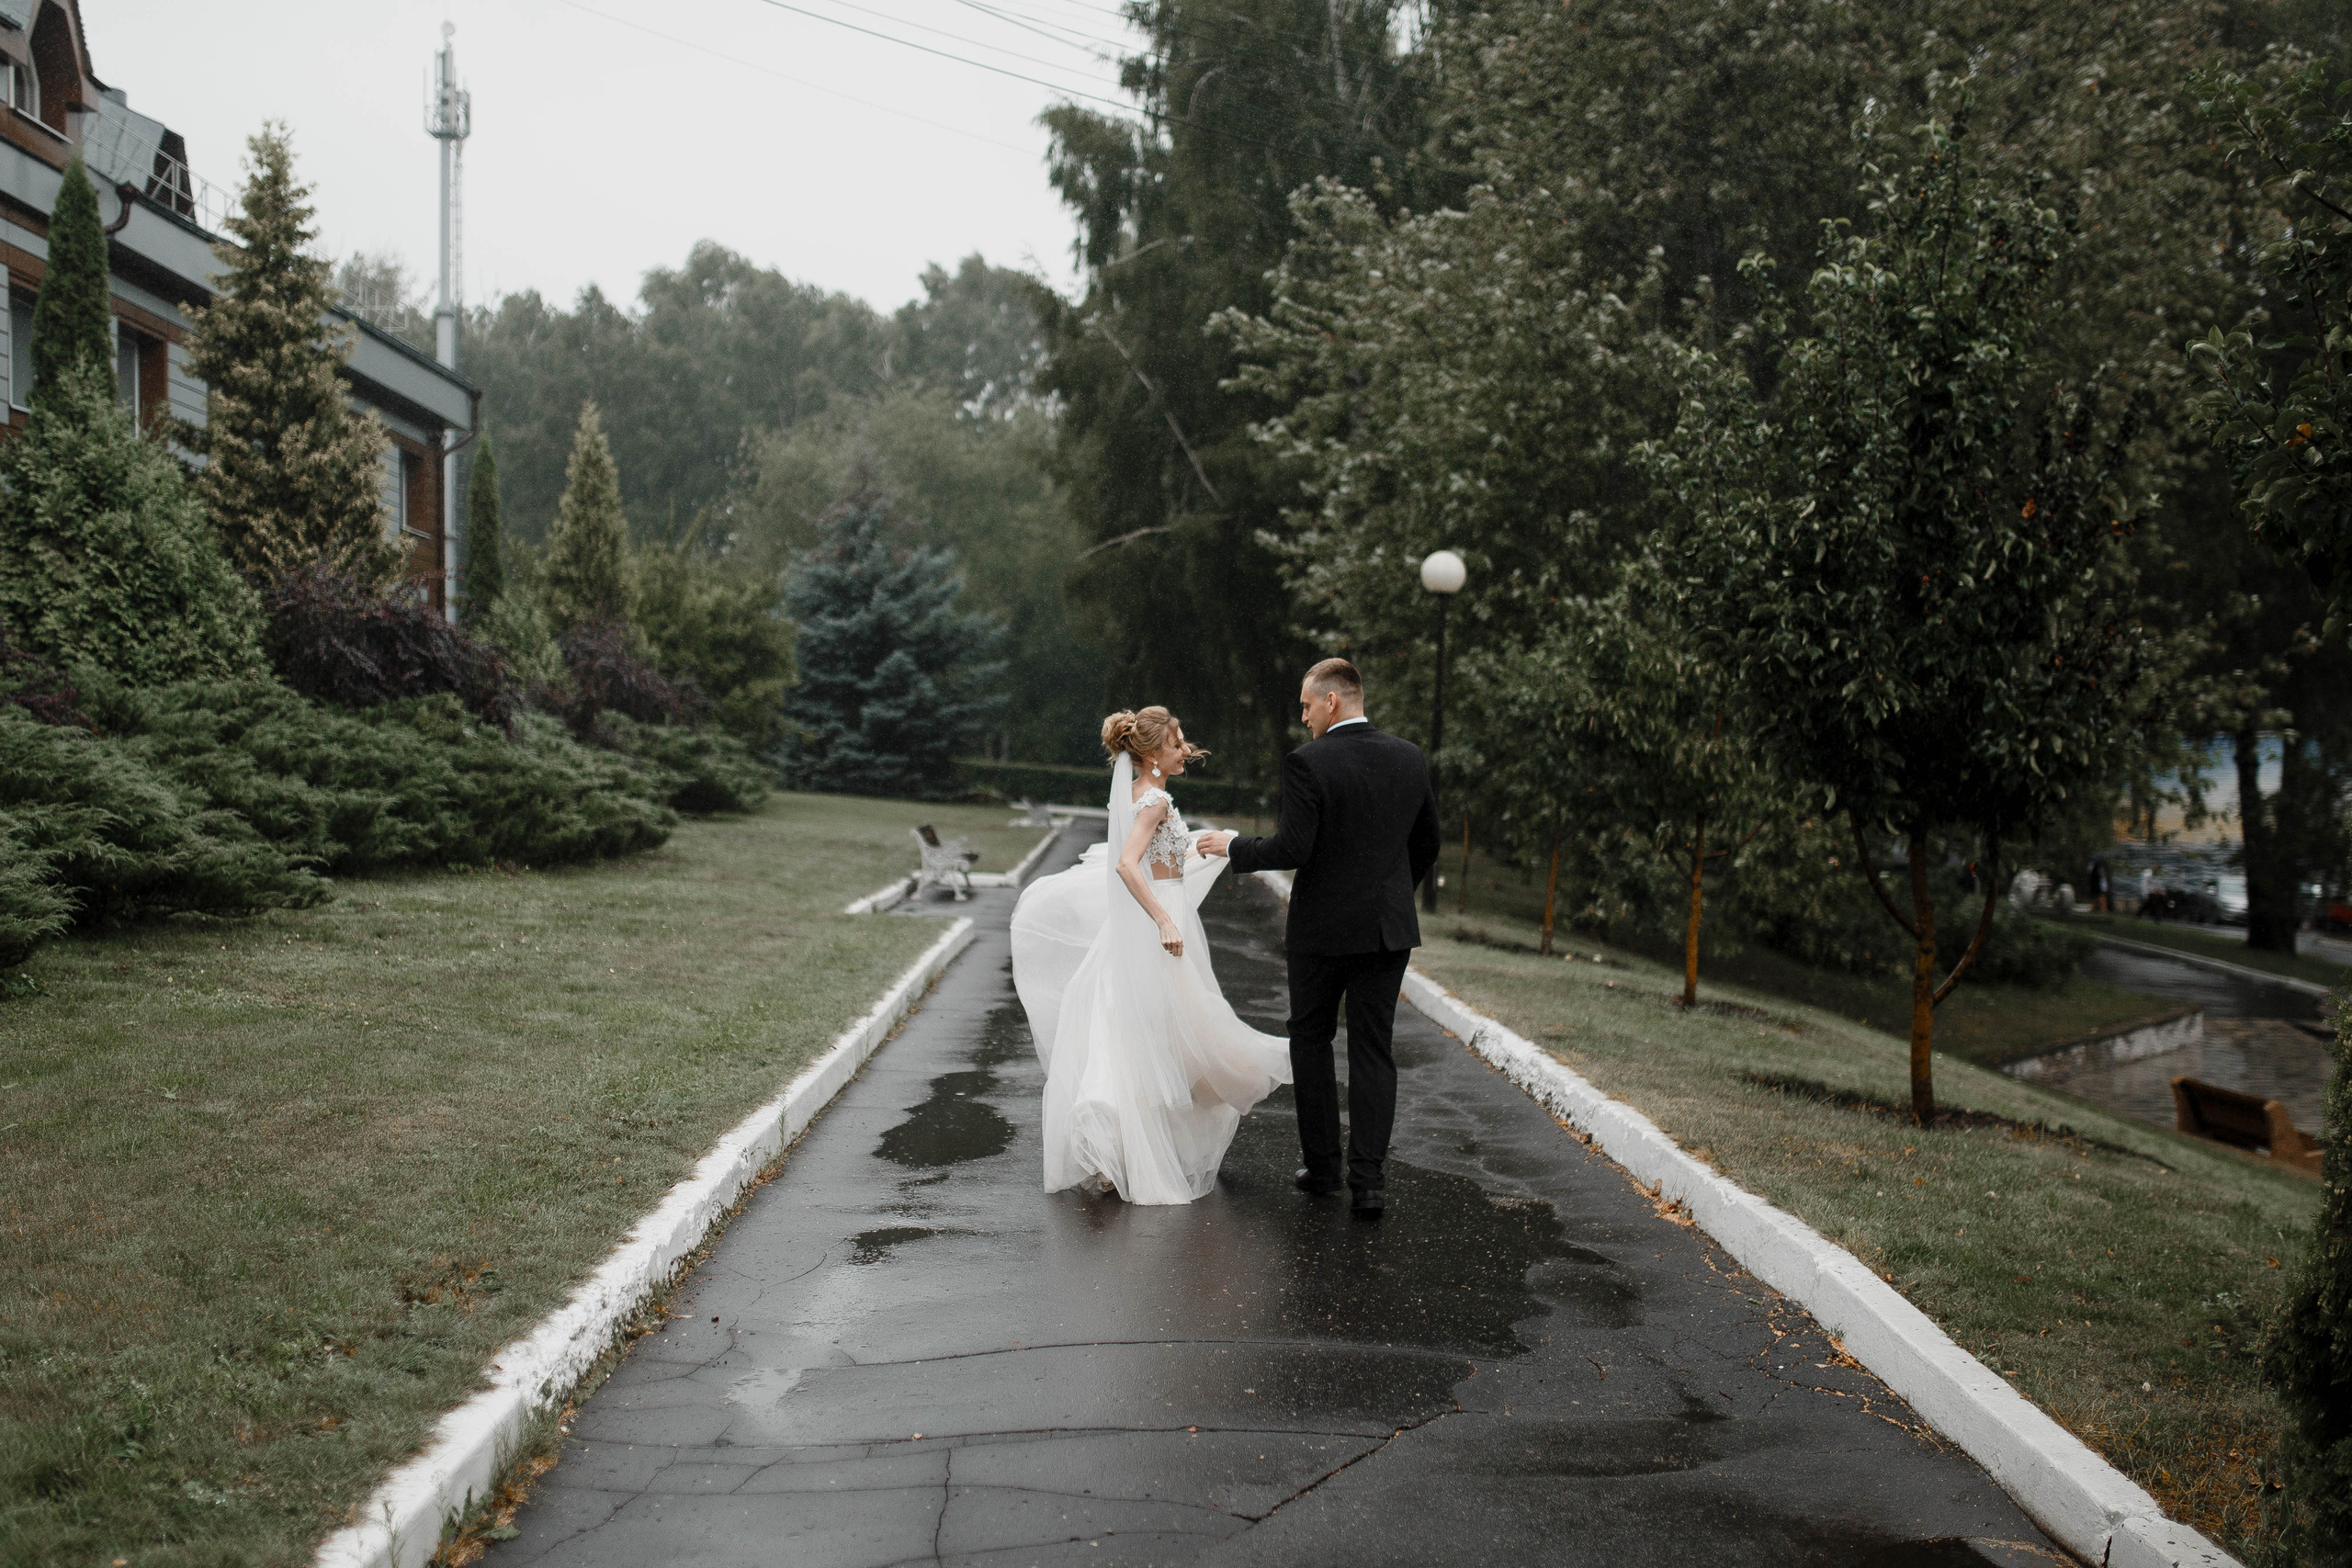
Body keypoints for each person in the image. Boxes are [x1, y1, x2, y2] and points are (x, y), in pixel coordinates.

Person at [1009, 707, 1291, 1204]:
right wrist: (1164, 919)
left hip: (1163, 914)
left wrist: (1211, 850)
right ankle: (1124, 1142)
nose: (1185, 750)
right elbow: (1127, 865)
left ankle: (1119, 1148)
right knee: (1163, 1031)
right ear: (1153, 753)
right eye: (1177, 742)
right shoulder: (1154, 800)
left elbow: (1163, 863)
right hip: (1159, 925)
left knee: (1145, 1033)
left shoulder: (1147, 795)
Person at [1198, 658, 1440, 1219]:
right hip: (1386, 930)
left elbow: (1292, 849)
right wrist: (1395, 893)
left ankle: (1325, 1168)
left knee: (1311, 1041)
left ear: (1333, 701)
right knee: (1373, 1049)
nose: (1304, 717)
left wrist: (1235, 845)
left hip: (1322, 931)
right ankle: (1370, 1183)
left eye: (1307, 706)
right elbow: (1427, 840)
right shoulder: (1408, 758)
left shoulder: (1309, 763)